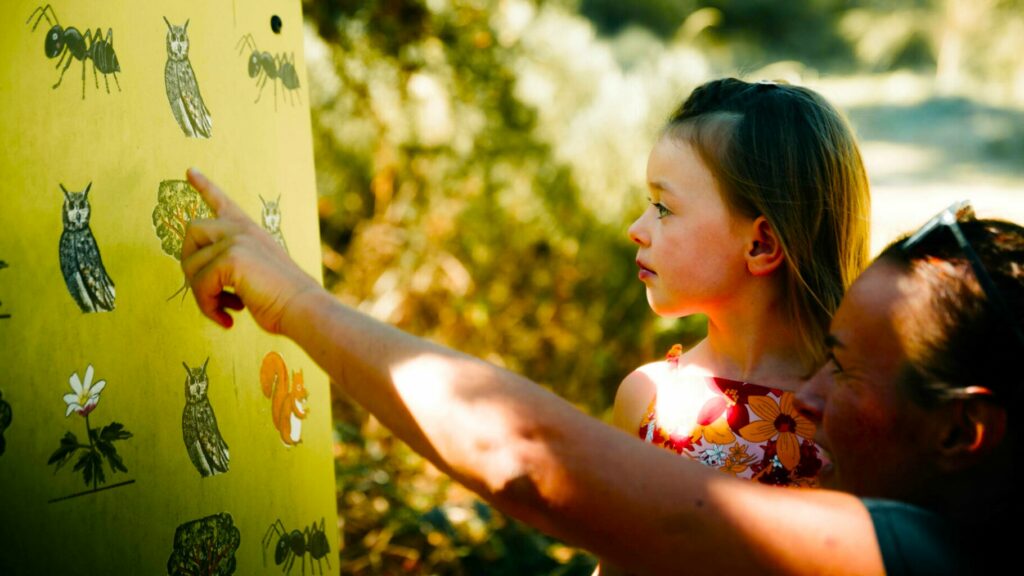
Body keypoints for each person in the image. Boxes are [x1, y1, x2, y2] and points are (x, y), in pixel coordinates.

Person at [182, 166, 1016, 574]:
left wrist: (294, 303)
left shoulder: (921, 556)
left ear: (960, 430)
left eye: (845, 369)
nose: (808, 393)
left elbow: (530, 460)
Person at [614, 78, 870, 491]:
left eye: (662, 207)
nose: (636, 230)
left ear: (761, 244)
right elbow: (619, 555)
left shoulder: (854, 422)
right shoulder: (646, 398)